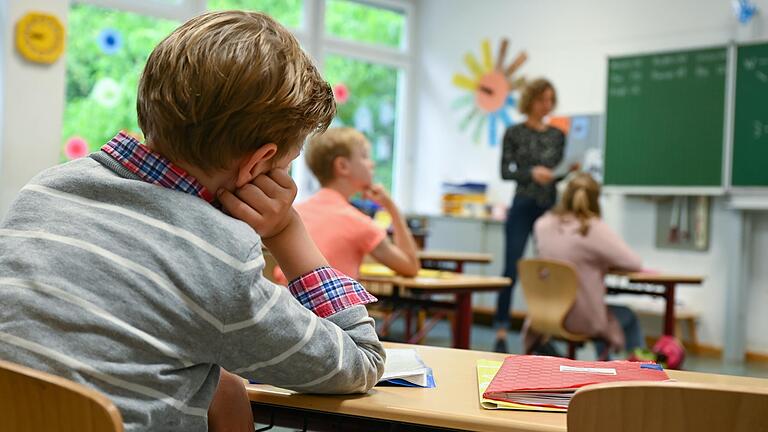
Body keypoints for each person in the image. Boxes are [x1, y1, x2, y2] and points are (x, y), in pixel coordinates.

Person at [0, 11, 385, 432]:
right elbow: (360, 362)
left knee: (225, 386)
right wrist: (286, 230)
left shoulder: (45, 191)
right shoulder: (220, 258)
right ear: (257, 164)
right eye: (288, 163)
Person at [277, 127, 420, 282]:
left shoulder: (295, 211)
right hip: (329, 305)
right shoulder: (358, 222)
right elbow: (410, 267)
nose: (372, 164)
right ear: (342, 166)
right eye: (364, 156)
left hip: (286, 301)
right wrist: (392, 208)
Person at [530, 173, 644, 357]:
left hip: (545, 312)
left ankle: (604, 365)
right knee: (627, 316)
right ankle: (641, 375)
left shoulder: (542, 225)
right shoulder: (592, 228)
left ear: (565, 195)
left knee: (604, 312)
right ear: (596, 200)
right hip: (580, 319)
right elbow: (633, 262)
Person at [494, 78, 567, 353]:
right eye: (542, 99)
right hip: (523, 204)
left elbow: (560, 170)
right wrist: (530, 173)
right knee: (511, 267)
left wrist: (556, 175)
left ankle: (545, 330)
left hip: (549, 207)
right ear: (530, 100)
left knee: (548, 271)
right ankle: (501, 328)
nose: (546, 105)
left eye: (550, 99)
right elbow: (505, 171)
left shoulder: (557, 136)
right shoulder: (514, 132)